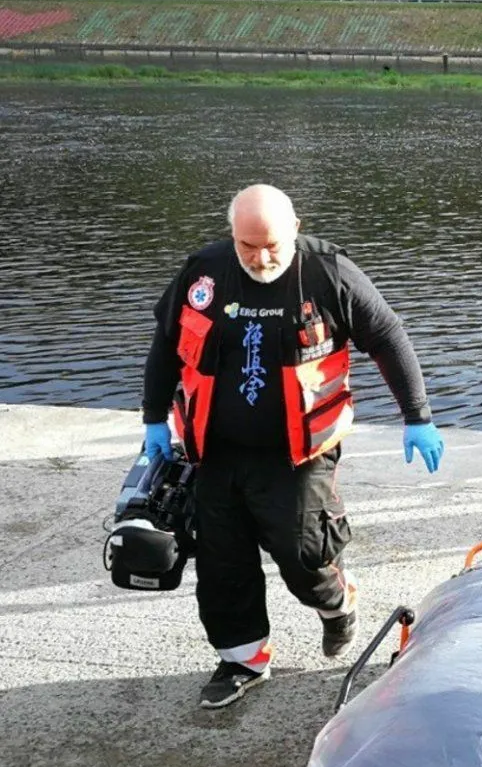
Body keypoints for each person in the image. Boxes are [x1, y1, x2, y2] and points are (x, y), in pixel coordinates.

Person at [141, 184, 445, 709]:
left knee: (304, 553)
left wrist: (417, 415)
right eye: (247, 246)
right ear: (232, 235)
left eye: (272, 246)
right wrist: (153, 420)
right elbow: (166, 345)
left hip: (299, 453)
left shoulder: (328, 273)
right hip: (215, 450)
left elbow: (387, 337)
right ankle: (243, 659)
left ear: (296, 229)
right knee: (221, 563)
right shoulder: (204, 272)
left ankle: (336, 603)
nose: (260, 258)